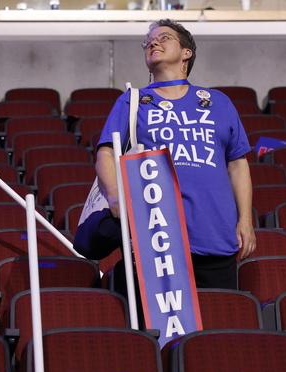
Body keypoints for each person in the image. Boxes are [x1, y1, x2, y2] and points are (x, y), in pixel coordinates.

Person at [74, 19, 256, 290]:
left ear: (186, 53)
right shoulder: (132, 101)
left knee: (217, 328)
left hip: (215, 237)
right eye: (148, 41)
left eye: (163, 38)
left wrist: (245, 220)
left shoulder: (218, 101)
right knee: (157, 331)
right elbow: (106, 154)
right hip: (155, 240)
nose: (152, 43)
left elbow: (238, 165)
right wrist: (115, 198)